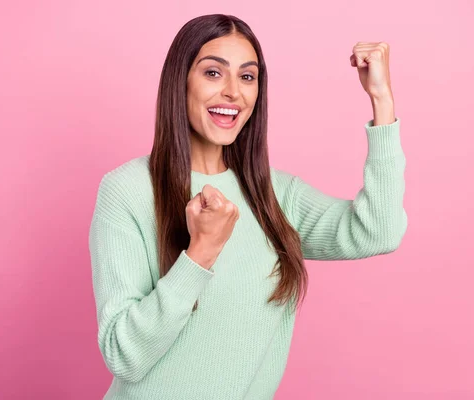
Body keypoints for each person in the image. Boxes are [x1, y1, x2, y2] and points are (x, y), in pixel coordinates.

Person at [88, 13, 406, 400]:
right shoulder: (128, 191)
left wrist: (382, 100)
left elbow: (379, 232)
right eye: (212, 73)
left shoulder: (275, 195)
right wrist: (200, 253)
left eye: (247, 77)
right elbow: (125, 356)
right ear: (180, 81)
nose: (233, 93)